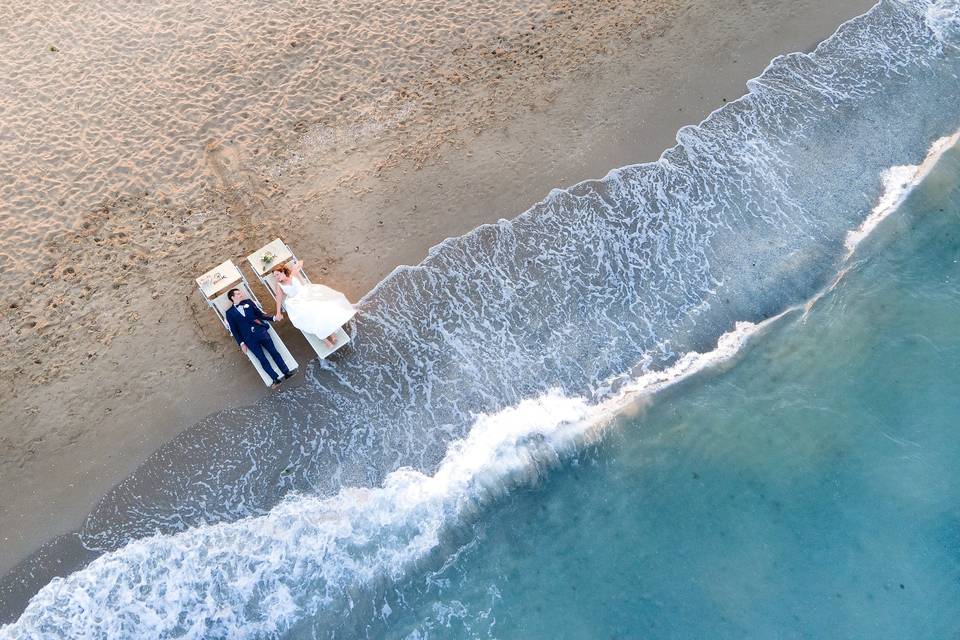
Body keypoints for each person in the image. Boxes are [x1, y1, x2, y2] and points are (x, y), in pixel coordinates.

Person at [271, 260, 355, 348]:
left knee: (320, 312)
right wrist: (278, 312)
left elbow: (301, 262)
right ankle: (325, 340)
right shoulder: (279, 285)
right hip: (296, 302)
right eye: (275, 276)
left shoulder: (293, 274)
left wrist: (294, 267)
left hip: (306, 295)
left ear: (283, 271)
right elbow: (279, 299)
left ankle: (332, 334)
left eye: (277, 274)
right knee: (309, 319)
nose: (276, 277)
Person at [225, 287, 294, 388]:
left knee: (274, 352)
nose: (241, 295)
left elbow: (260, 315)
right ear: (232, 297)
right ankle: (275, 379)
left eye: (241, 293)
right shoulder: (229, 313)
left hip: (261, 332)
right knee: (262, 359)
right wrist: (241, 343)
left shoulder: (248, 302)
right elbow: (234, 330)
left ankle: (286, 372)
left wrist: (273, 318)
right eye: (238, 294)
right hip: (249, 340)